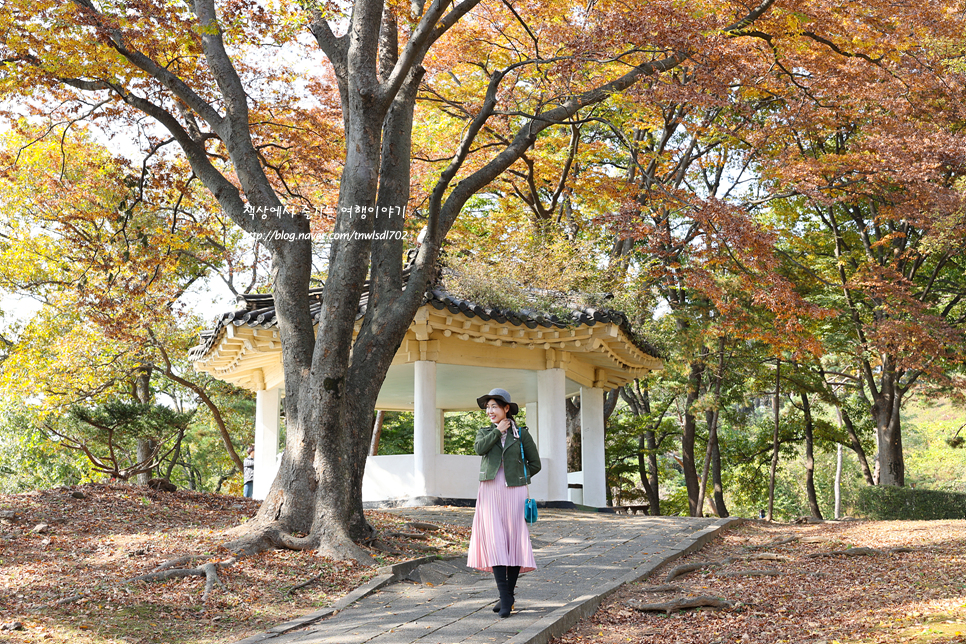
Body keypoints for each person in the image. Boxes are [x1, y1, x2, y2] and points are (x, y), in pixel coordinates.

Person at [467, 388, 541, 618]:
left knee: (513, 540)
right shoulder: (484, 432)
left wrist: (519, 475)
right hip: (489, 490)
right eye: (487, 407)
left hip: (514, 492)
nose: (489, 411)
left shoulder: (521, 434)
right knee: (496, 540)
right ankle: (505, 596)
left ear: (506, 408)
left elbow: (535, 464)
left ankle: (506, 596)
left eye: (494, 406)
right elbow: (479, 449)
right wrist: (496, 431)